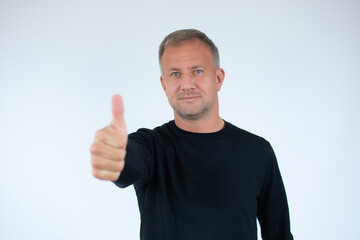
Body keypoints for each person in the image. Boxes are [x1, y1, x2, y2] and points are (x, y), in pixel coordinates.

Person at [90, 29, 293, 240]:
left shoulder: (257, 151)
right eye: (175, 74)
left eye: (197, 71)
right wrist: (116, 154)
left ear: (218, 78)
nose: (186, 85)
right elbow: (129, 160)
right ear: (164, 84)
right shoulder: (151, 147)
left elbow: (278, 235)